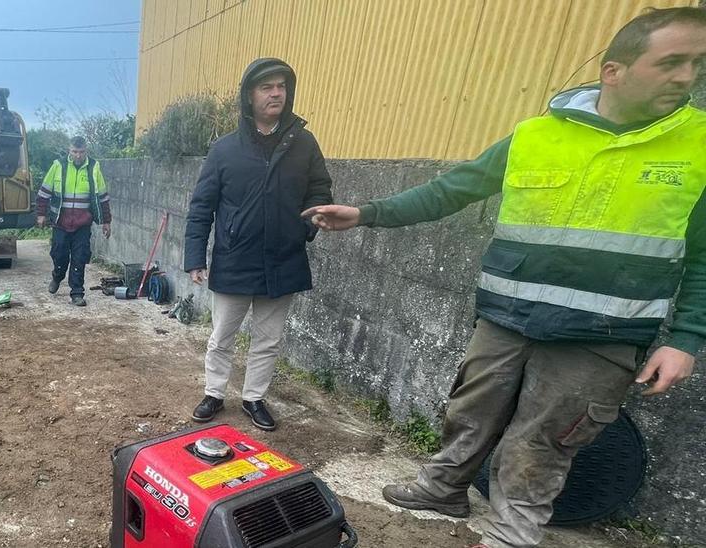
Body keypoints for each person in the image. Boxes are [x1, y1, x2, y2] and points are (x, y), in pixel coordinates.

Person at [303, 8, 706, 548]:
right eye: (672, 62)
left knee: (543, 438)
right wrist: (367, 212)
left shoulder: (697, 146)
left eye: (695, 64)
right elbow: (453, 189)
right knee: (471, 408)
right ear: (615, 70)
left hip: (602, 334)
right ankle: (443, 486)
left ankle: (514, 529)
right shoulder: (535, 135)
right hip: (507, 314)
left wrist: (686, 338)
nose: (686, 77)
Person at [184, 58, 333, 431]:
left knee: (268, 340)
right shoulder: (224, 149)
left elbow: (319, 187)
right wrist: (194, 256)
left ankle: (253, 398)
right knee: (222, 337)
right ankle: (214, 393)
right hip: (235, 258)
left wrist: (307, 227)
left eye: (281, 86)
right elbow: (202, 205)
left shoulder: (303, 143)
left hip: (284, 259)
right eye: (267, 87)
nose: (276, 93)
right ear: (249, 96)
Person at [36, 136, 112, 306]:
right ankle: (57, 275)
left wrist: (106, 221)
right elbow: (44, 193)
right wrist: (41, 215)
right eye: (75, 152)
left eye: (82, 152)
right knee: (60, 255)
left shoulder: (93, 167)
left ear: (86, 151)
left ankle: (77, 293)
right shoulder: (58, 166)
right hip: (60, 222)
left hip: (82, 223)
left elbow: (103, 197)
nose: (78, 155)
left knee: (80, 257)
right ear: (69, 151)